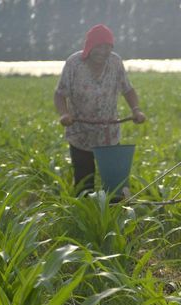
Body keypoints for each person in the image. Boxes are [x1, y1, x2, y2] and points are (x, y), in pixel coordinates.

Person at [54, 23, 146, 196]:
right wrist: (64, 114)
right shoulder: (74, 64)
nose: (103, 51)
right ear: (89, 47)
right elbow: (60, 94)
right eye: (99, 47)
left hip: (108, 134)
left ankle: (114, 214)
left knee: (115, 185)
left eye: (107, 47)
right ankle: (85, 215)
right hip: (81, 134)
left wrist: (136, 109)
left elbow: (128, 89)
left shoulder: (115, 62)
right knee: (84, 183)